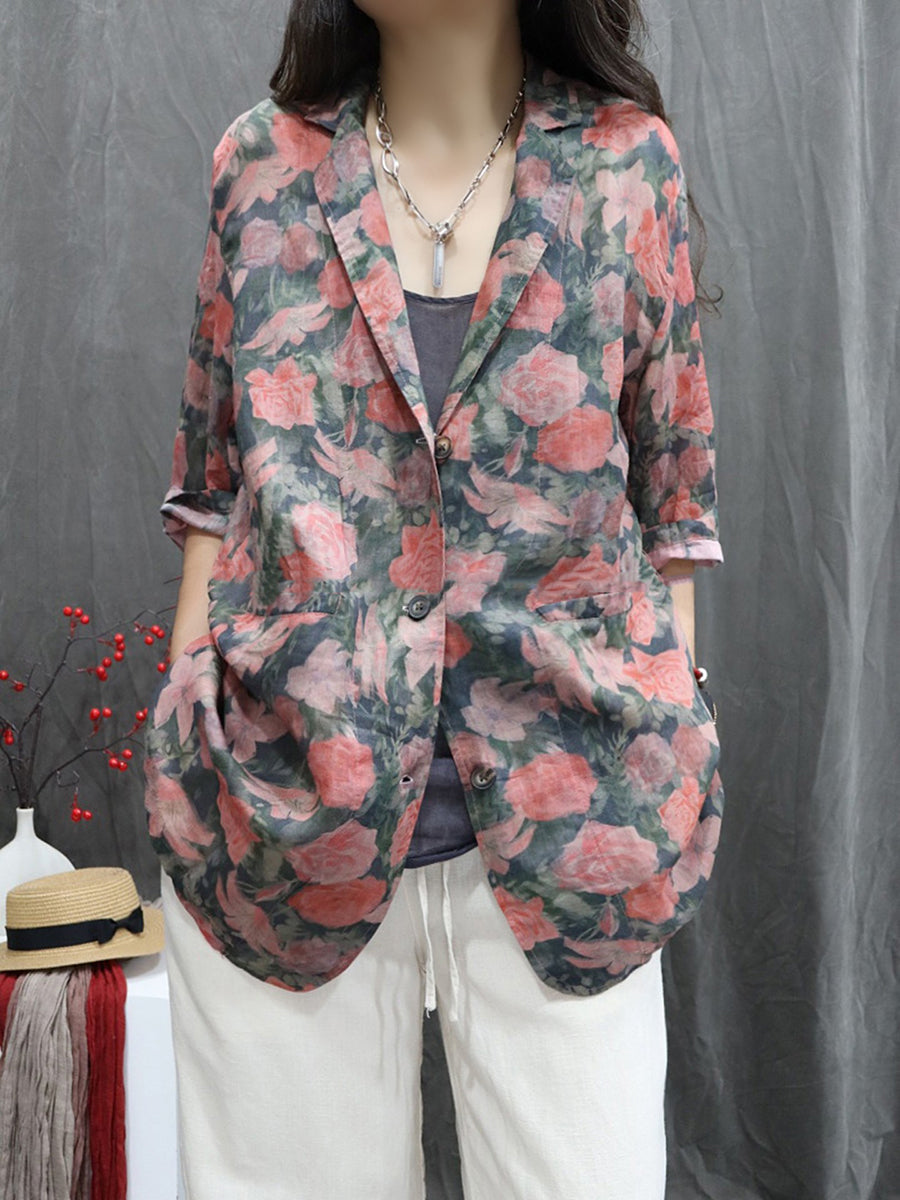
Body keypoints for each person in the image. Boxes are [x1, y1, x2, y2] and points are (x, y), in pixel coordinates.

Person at [143, 1, 726, 1196]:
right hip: (279, 822)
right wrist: (185, 725)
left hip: (575, 830)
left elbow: (675, 504)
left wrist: (664, 747)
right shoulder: (261, 163)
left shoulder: (626, 166)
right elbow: (211, 485)